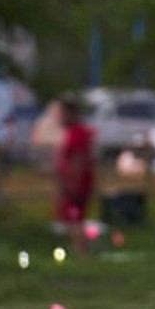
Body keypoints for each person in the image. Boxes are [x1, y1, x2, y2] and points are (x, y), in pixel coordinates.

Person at [55, 95, 96, 255]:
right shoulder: (74, 133)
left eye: (62, 113)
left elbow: (79, 160)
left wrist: (71, 184)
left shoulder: (78, 134)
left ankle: (82, 253)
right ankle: (78, 251)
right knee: (72, 220)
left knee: (75, 221)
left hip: (76, 185)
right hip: (75, 183)